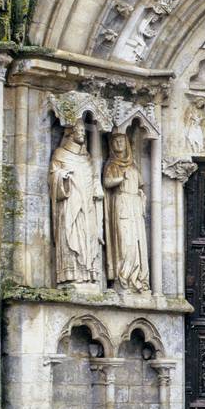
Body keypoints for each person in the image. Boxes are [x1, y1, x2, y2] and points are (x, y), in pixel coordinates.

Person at [49, 121, 102, 285]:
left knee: (89, 235)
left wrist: (96, 187)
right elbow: (53, 175)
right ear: (70, 133)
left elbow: (93, 178)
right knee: (70, 234)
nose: (82, 133)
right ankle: (72, 275)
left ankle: (88, 273)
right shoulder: (60, 154)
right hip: (70, 203)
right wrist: (62, 176)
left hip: (88, 206)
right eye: (79, 130)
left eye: (83, 130)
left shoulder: (87, 157)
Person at [103, 132, 150, 292]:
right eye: (115, 141)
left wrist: (141, 196)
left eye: (121, 140)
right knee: (125, 243)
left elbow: (141, 186)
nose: (119, 143)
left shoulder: (133, 166)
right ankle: (122, 277)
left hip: (135, 207)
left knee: (137, 243)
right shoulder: (111, 165)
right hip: (121, 204)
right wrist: (120, 179)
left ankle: (136, 278)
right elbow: (107, 182)